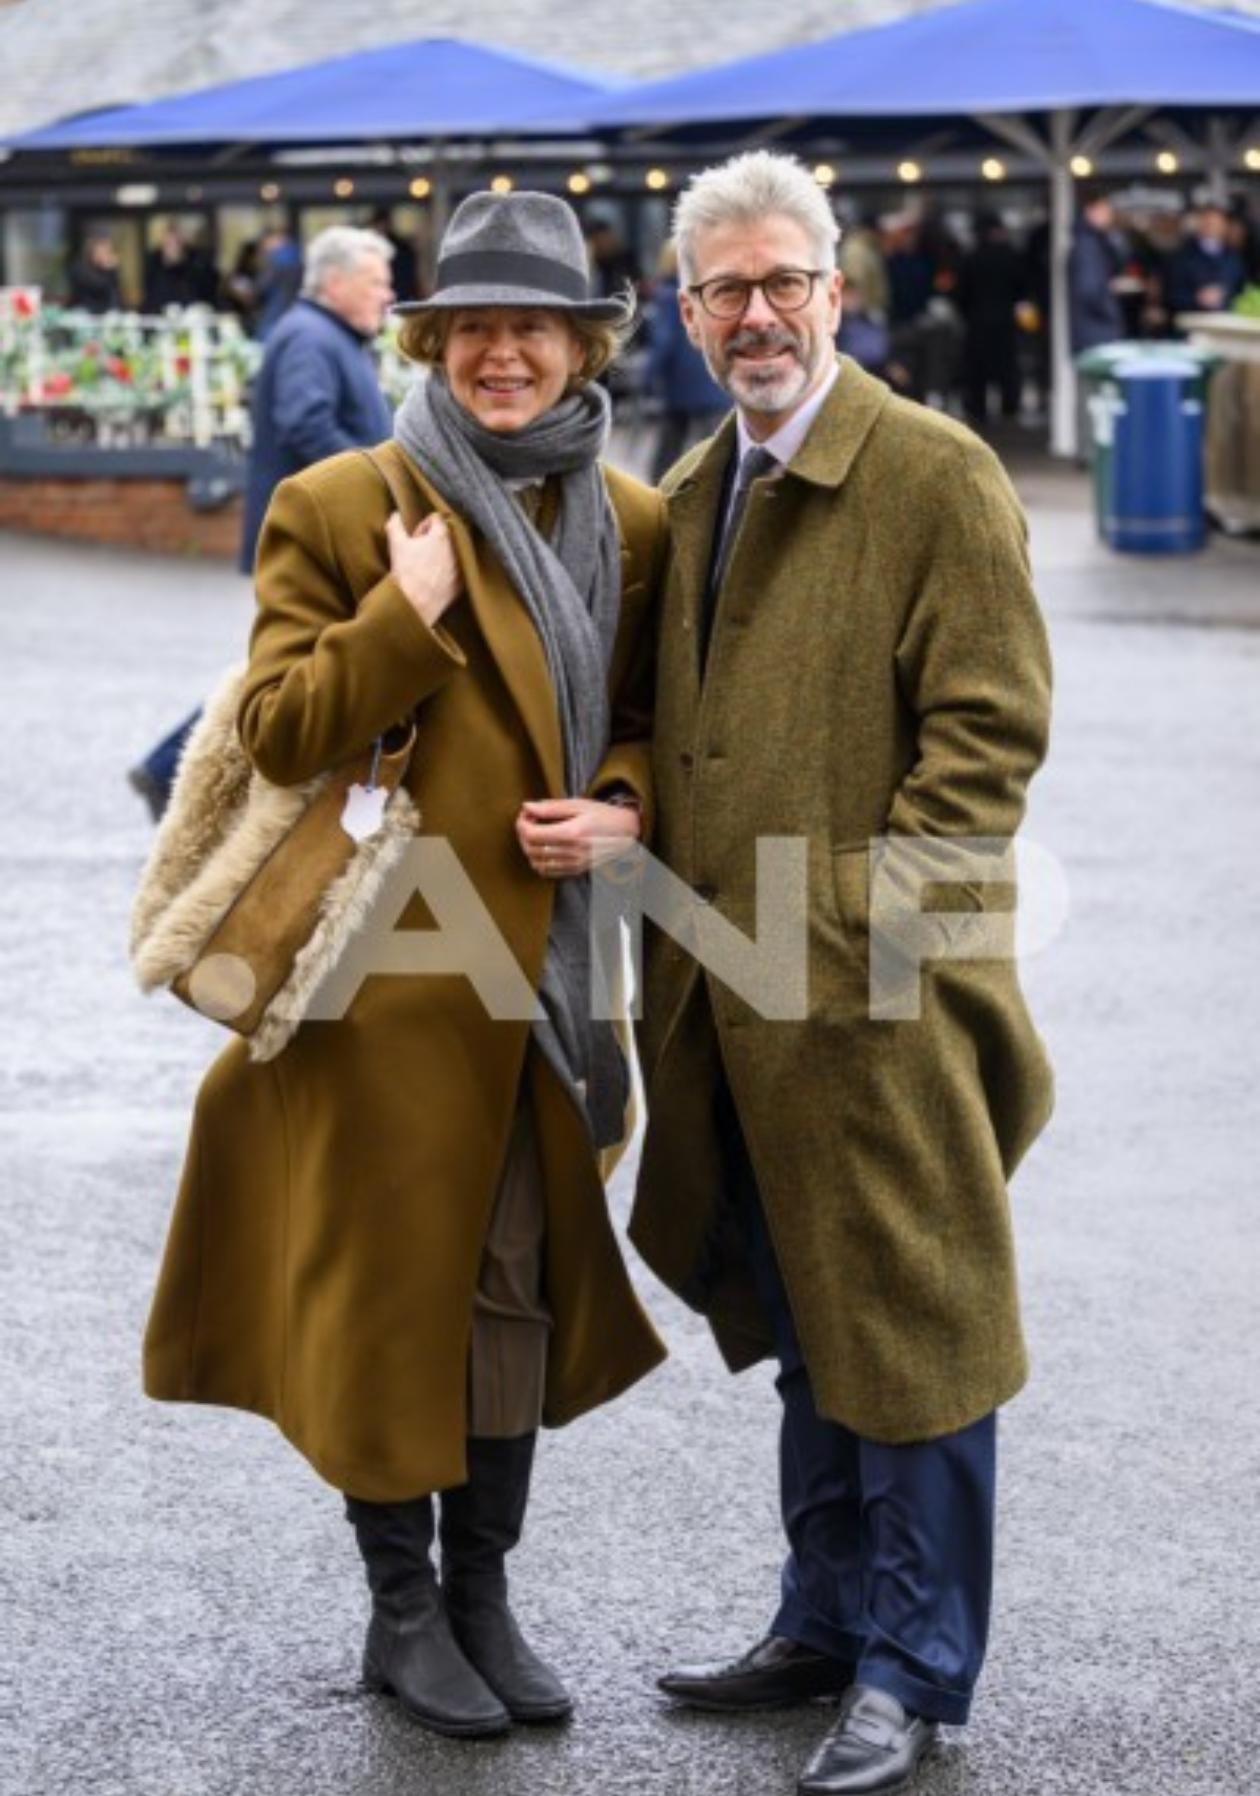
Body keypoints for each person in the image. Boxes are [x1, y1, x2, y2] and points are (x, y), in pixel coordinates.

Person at [140, 189, 667, 1743]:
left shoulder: (634, 523)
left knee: (511, 1289)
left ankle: (483, 1594)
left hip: (545, 980)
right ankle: (403, 1610)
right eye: (474, 328)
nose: (504, 354)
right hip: (379, 983)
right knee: (392, 1290)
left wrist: (624, 801)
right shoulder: (339, 501)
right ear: (430, 344)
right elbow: (279, 730)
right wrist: (403, 610)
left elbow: (651, 720)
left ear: (581, 348)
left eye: (534, 329)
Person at [630, 151, 1053, 1796]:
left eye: (784, 283)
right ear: (687, 313)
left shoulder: (937, 475)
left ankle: (915, 1670)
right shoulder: (693, 487)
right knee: (810, 1320)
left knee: (913, 1328)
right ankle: (824, 1622)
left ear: (837, 292)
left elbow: (986, 745)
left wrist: (849, 929)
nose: (758, 315)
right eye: (725, 289)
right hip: (734, 1000)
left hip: (879, 999)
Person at [127, 228, 397, 821]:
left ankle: (168, 767)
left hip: (322, 538)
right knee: (285, 671)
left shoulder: (325, 335)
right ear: (335, 282)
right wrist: (379, 480)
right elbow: (307, 425)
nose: (389, 294)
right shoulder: (310, 338)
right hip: (314, 541)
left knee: (292, 666)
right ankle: (167, 767)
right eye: (377, 282)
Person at [644, 242, 727, 482]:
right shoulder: (713, 289)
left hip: (680, 382)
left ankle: (659, 489)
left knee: (670, 443)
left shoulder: (668, 295)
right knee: (715, 444)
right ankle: (716, 489)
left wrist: (648, 376)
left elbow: (664, 340)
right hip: (713, 378)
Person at [955, 210, 1025, 427]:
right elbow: (1022, 288)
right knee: (1007, 368)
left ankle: (978, 411)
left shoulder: (971, 257)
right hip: (1005, 321)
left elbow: (960, 293)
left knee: (978, 370)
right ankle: (1009, 410)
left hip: (977, 322)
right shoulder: (1011, 255)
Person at [1068, 191, 1126, 355]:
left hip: (1092, 327)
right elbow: (1089, 288)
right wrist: (1110, 312)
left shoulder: (1096, 240)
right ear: (1089, 211)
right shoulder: (1087, 244)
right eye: (1104, 211)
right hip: (1095, 329)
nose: (1109, 217)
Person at [1167, 201, 1245, 319]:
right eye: (1207, 221)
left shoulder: (1233, 257)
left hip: (1226, 319)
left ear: (1224, 225)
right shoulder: (1182, 256)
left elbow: (1241, 290)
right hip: (1192, 319)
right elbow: (1172, 294)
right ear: (1199, 224)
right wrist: (1197, 298)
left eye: (1216, 222)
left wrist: (1225, 295)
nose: (1211, 226)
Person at [68, 233, 124, 312]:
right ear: (92, 251)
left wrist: (113, 271)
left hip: (107, 312)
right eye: (102, 251)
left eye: (108, 251)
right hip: (84, 312)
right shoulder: (80, 268)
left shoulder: (109, 270)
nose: (106, 254)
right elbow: (96, 286)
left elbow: (115, 296)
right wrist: (109, 270)